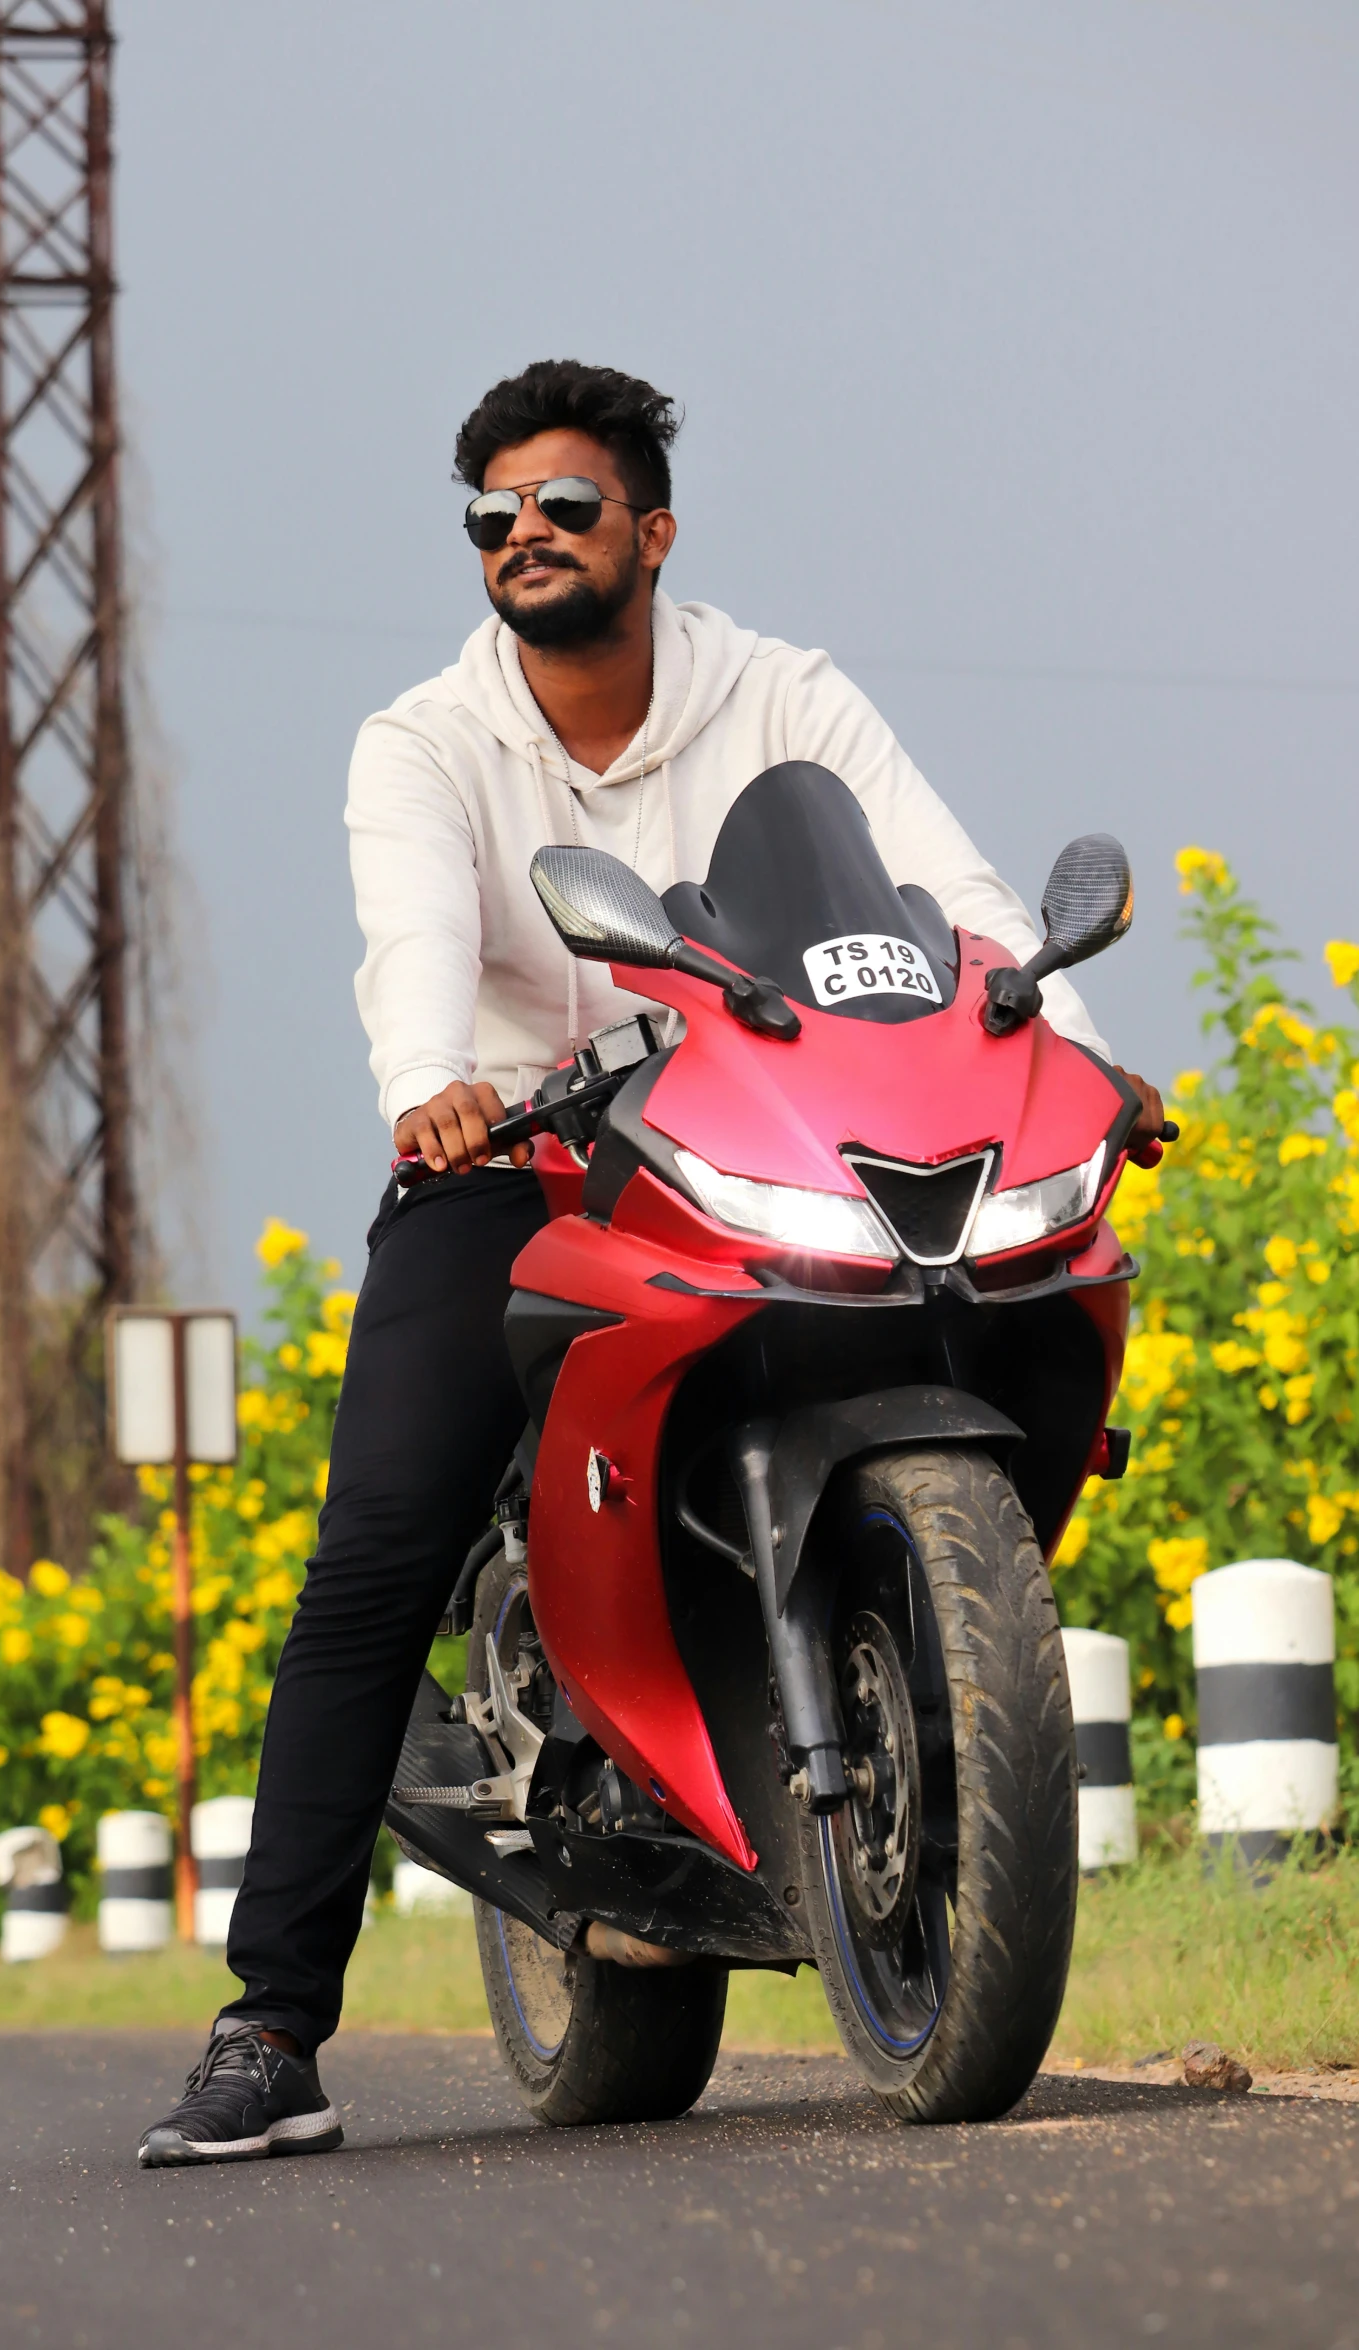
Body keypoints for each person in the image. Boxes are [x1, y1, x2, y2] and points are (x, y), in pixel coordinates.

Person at [138, 359, 1166, 2166]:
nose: (522, 536)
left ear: (650, 531)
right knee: (379, 1537)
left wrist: (1065, 1036)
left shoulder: (785, 693)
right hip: (528, 1161)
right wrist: (427, 1090)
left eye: (562, 506)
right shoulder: (426, 740)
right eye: (490, 517)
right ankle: (271, 2024)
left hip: (765, 1151)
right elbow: (411, 943)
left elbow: (961, 892)